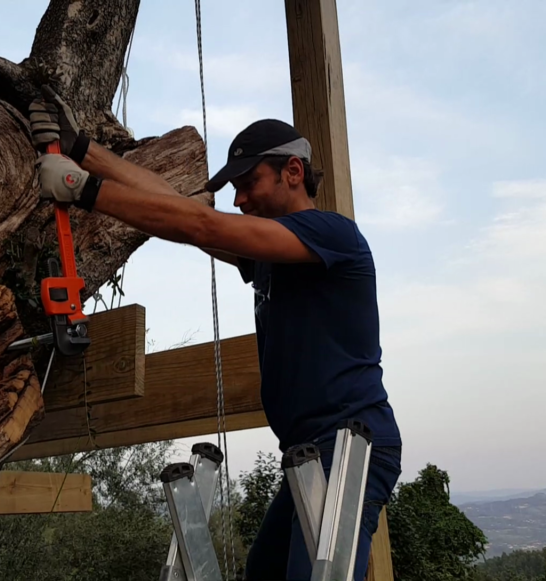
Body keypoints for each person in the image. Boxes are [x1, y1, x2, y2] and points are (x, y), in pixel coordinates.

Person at [29, 87, 402, 580]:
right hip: (308, 453)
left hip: (352, 443)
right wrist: (84, 151)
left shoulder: (332, 235)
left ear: (294, 173)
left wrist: (84, 189)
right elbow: (178, 207)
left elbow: (202, 224)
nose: (240, 199)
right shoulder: (269, 257)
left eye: (250, 183)